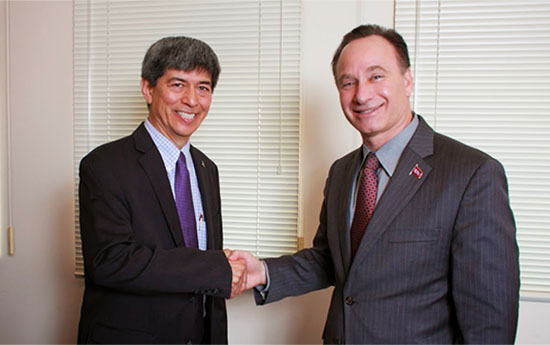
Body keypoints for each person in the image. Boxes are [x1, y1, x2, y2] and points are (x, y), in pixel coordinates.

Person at [229, 24, 520, 344]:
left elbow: (490, 323)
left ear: (408, 81)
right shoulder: (341, 172)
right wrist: (263, 272)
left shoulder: (472, 174)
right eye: (348, 82)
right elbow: (331, 260)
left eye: (376, 76)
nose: (362, 94)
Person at [77, 36, 246, 344]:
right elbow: (111, 260)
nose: (192, 100)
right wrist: (216, 268)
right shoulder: (104, 165)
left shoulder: (207, 169)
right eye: (178, 84)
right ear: (148, 89)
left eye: (203, 87)